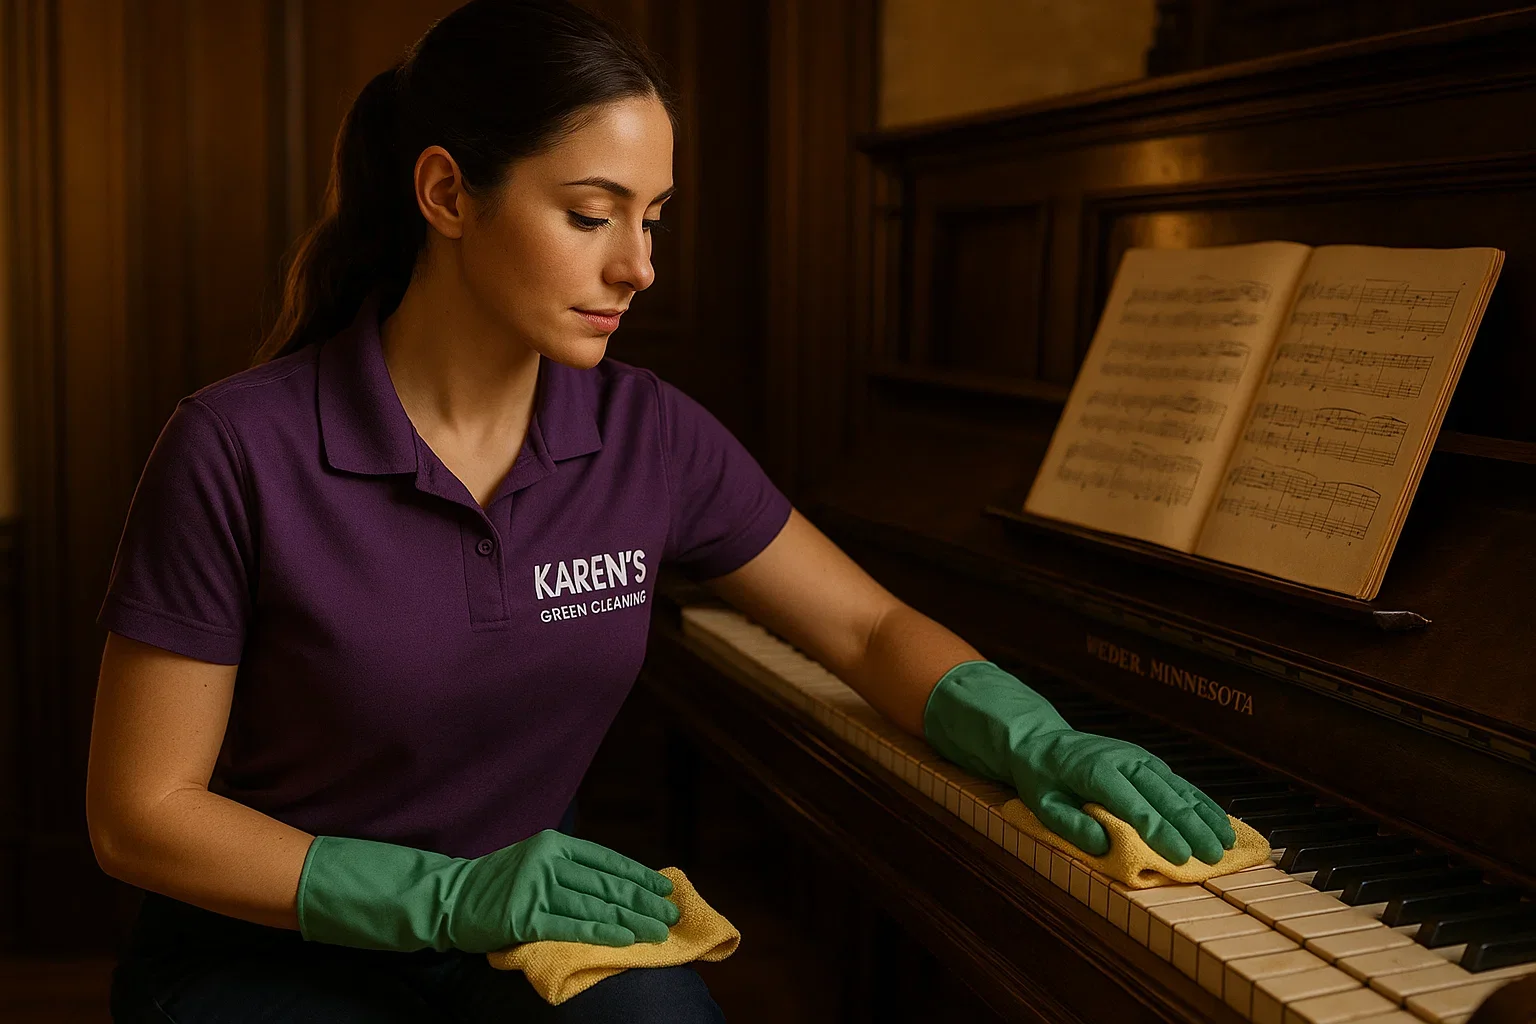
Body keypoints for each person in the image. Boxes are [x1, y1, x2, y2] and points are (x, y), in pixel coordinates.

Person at [84, 1, 1237, 1020]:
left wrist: (1030, 734)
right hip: (276, 943)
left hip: (536, 931)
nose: (639, 265)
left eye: (655, 218)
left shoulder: (649, 433)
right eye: (592, 215)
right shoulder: (235, 447)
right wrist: (443, 897)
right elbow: (142, 814)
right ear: (446, 192)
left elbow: (866, 630)